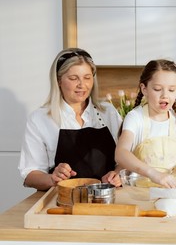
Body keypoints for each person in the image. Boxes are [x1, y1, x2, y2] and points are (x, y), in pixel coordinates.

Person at [19, 48, 123, 190]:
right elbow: (30, 174)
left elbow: (125, 159)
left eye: (87, 77)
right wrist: (52, 178)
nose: (82, 85)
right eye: (73, 78)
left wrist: (116, 174)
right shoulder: (40, 119)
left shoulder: (108, 113)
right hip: (60, 202)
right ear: (58, 80)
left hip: (105, 200)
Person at [115, 59, 176, 189]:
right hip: (145, 191)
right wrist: (153, 174)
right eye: (157, 89)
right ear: (144, 89)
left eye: (171, 90)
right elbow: (121, 153)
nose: (164, 95)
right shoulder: (135, 118)